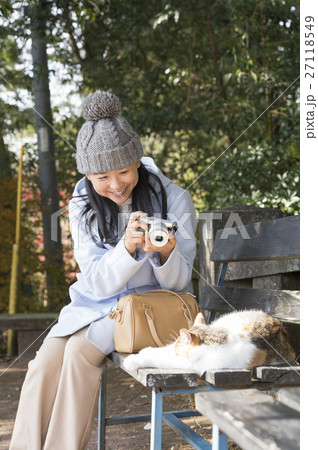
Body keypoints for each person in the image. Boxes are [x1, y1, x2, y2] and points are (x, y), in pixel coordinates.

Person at [10, 90, 197, 450]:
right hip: (94, 305)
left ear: (138, 162)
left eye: (124, 171)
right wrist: (125, 249)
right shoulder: (81, 203)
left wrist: (168, 253)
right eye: (101, 177)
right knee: (44, 364)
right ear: (88, 175)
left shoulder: (174, 199)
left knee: (79, 354)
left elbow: (178, 283)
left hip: (149, 309)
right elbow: (95, 282)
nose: (115, 185)